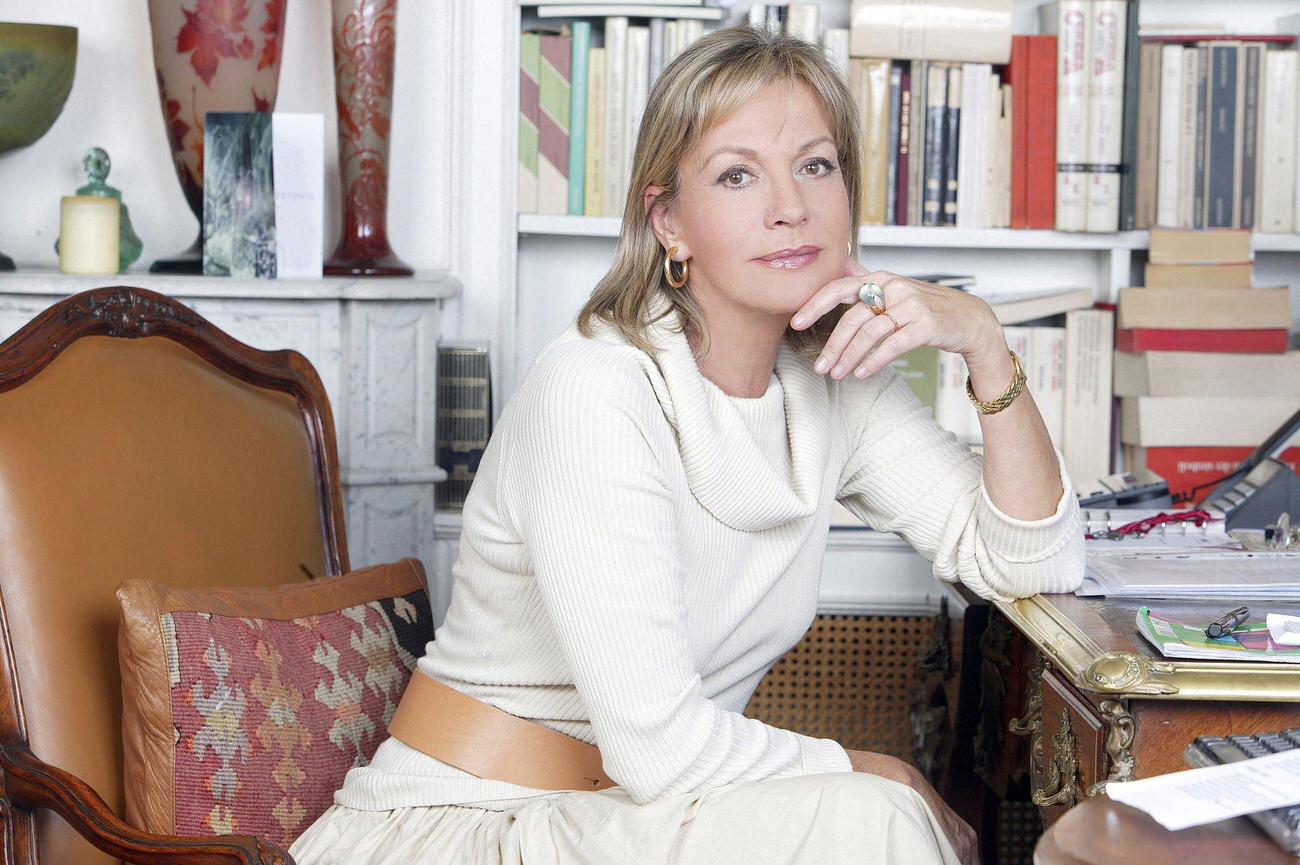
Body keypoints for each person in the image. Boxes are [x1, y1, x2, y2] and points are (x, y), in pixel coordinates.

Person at [290, 24, 1084, 865]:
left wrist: (984, 342)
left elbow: (1037, 564)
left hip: (639, 818)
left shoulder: (835, 383)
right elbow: (662, 751)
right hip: (467, 821)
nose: (790, 205)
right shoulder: (596, 389)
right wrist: (881, 768)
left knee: (870, 816)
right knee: (874, 815)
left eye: (816, 165)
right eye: (738, 174)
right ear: (669, 221)